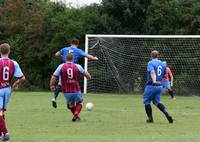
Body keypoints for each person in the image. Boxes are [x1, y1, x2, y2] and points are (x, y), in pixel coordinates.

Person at [51, 38, 97, 108]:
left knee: (60, 84)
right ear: (77, 44)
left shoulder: (65, 49)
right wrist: (94, 58)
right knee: (73, 85)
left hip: (63, 68)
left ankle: (55, 97)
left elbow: (56, 54)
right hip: (74, 68)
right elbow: (87, 56)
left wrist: (62, 56)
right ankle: (72, 104)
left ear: (71, 43)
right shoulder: (78, 50)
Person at [50, 53, 91, 122]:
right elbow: (85, 74)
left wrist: (51, 85)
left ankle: (76, 117)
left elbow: (54, 76)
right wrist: (89, 77)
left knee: (71, 105)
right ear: (73, 59)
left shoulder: (61, 66)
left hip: (66, 90)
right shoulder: (77, 66)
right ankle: (76, 113)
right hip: (76, 89)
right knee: (80, 103)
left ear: (66, 58)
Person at [0, 43, 25, 141]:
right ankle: (1, 135)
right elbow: (22, 78)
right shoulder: (13, 63)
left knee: (0, 112)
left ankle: (5, 133)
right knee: (1, 112)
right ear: (9, 51)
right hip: (8, 89)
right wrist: (15, 83)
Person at [143, 50, 173, 123]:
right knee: (156, 102)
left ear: (151, 55)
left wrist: (154, 81)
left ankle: (150, 119)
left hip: (151, 86)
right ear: (157, 56)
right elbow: (165, 76)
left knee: (146, 102)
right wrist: (165, 85)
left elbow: (152, 72)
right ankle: (166, 113)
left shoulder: (150, 63)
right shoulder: (162, 64)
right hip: (159, 87)